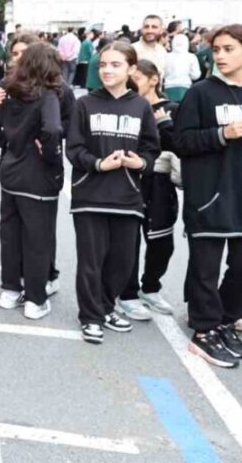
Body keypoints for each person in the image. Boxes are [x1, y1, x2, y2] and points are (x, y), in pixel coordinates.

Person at [173, 24, 242, 369]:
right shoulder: (200, 93)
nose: (220, 56)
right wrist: (222, 133)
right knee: (205, 269)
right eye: (217, 49)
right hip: (209, 194)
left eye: (228, 49)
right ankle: (204, 329)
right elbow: (181, 141)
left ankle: (224, 321)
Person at [66, 41, 160, 344]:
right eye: (103, 64)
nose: (107, 70)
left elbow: (151, 148)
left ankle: (106, 306)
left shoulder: (141, 106)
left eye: (115, 65)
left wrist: (140, 162)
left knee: (122, 262)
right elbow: (74, 148)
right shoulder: (85, 104)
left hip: (127, 197)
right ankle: (90, 316)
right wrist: (98, 163)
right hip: (90, 196)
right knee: (91, 261)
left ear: (131, 69)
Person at [0, 42, 64, 319]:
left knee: (11, 234)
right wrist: (51, 154)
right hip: (39, 176)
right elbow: (53, 128)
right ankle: (35, 299)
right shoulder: (48, 95)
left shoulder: (8, 90)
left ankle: (10, 290)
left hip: (11, 172)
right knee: (37, 239)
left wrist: (10, 144)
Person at [115, 60, 180, 321]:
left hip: (161, 182)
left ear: (154, 79)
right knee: (128, 240)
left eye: (137, 78)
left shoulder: (172, 109)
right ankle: (127, 294)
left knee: (162, 240)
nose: (132, 83)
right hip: (131, 179)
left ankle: (151, 287)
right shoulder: (126, 107)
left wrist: (164, 124)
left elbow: (181, 145)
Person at [162, 33, 200, 101]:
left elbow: (162, 73)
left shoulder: (165, 56)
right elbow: (196, 75)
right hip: (185, 86)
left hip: (168, 87)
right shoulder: (191, 57)